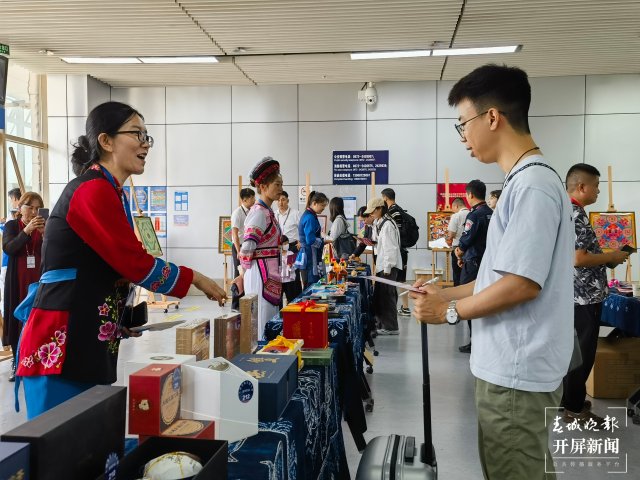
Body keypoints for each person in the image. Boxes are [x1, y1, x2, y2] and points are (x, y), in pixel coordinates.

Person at [410, 64, 574, 479]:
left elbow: (521, 285)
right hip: (510, 367)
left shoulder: (532, 186)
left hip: (516, 372)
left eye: (462, 123)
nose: (463, 137)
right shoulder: (524, 182)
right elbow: (498, 280)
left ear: (493, 117)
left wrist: (448, 313)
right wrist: (445, 293)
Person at [15, 101, 227, 419]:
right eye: (136, 133)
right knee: (60, 453)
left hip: (82, 336)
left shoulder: (112, 192)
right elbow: (135, 263)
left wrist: (117, 319)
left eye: (147, 136)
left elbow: (107, 267)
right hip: (63, 343)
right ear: (106, 141)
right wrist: (196, 277)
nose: (145, 143)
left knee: (85, 448)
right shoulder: (92, 191)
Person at [562, 163, 629, 425]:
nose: (599, 191)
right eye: (597, 186)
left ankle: (567, 400)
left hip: (573, 295)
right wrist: (612, 256)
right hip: (584, 296)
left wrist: (605, 259)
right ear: (581, 187)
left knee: (571, 351)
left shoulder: (568, 210)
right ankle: (575, 410)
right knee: (582, 354)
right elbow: (578, 259)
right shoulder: (576, 214)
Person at [237, 157, 284, 337]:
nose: (280, 188)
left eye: (281, 184)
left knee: (269, 318)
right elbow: (247, 247)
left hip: (268, 271)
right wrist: (244, 274)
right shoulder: (258, 213)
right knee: (262, 321)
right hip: (259, 273)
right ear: (263, 186)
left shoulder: (267, 212)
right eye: (277, 184)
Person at [2, 192, 45, 382]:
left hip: (39, 280)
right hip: (17, 280)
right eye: (31, 208)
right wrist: (26, 231)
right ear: (21, 209)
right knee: (17, 318)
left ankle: (36, 360)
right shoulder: (12, 225)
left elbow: (52, 251)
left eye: (38, 208)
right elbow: (9, 248)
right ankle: (16, 362)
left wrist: (45, 233)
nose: (34, 212)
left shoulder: (44, 227)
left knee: (37, 319)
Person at [454, 180, 492, 353]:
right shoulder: (492, 213)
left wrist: (459, 252)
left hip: (474, 264)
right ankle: (484, 340)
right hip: (489, 263)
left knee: (469, 301)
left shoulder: (474, 215)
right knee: (487, 301)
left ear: (469, 195)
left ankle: (474, 341)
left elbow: (466, 240)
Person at [366, 197, 402, 335]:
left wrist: (387, 268)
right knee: (382, 295)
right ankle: (384, 325)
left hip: (389, 267)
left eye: (373, 212)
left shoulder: (387, 225)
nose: (371, 215)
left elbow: (390, 249)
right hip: (384, 265)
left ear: (380, 208)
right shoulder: (382, 222)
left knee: (387, 296)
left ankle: (391, 327)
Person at [380, 188, 410, 317]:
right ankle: (404, 307)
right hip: (401, 250)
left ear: (385, 198)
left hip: (397, 251)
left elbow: (392, 237)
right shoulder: (400, 209)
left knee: (398, 281)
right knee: (400, 280)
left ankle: (405, 307)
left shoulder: (393, 212)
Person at [297, 191, 328, 287]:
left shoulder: (309, 215)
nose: (323, 208)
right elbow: (310, 240)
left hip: (309, 254)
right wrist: (323, 241)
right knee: (312, 286)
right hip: (310, 256)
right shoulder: (310, 217)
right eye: (322, 205)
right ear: (314, 203)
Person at [275, 191, 302, 300]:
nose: (280, 202)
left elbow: (303, 229)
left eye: (283, 200)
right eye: (278, 200)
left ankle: (294, 301)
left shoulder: (296, 213)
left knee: (292, 274)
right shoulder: (274, 214)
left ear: (288, 200)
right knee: (279, 274)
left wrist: (301, 241)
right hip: (278, 248)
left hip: (292, 247)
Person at [0, 188, 22, 317]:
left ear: (15, 199)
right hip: (9, 260)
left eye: (11, 200)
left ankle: (6, 318)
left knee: (6, 292)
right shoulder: (10, 219)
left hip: (8, 261)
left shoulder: (12, 221)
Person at [231, 188, 256, 278]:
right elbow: (234, 234)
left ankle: (247, 291)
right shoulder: (237, 213)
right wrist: (238, 251)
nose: (254, 200)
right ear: (244, 200)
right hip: (239, 246)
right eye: (252, 198)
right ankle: (237, 292)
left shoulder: (253, 211)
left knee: (250, 270)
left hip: (249, 246)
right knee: (239, 270)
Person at [445, 197, 469, 287]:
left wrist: (447, 240)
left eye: (453, 208)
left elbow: (450, 235)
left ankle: (458, 299)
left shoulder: (456, 216)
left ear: (456, 206)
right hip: (471, 249)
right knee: (469, 276)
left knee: (457, 275)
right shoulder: (472, 214)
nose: (452, 210)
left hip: (458, 249)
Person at [279, 235, 298, 305]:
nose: (286, 245)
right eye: (284, 244)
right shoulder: (277, 255)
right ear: (280, 244)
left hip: (289, 280)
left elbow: (295, 267)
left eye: (287, 243)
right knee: (279, 301)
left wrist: (291, 266)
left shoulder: (290, 253)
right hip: (280, 280)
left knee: (291, 299)